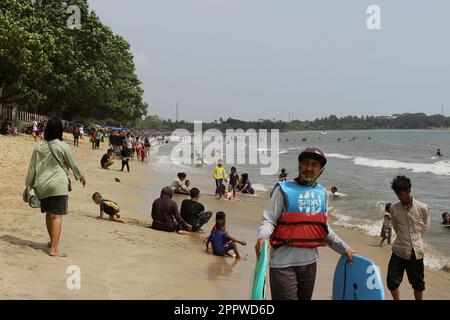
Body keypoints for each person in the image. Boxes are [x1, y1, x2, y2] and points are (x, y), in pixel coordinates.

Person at [255, 148, 355, 300]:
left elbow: (323, 228)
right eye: (305, 163)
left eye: (314, 165)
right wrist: (263, 237)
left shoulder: (322, 193)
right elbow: (269, 219)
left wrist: (344, 248)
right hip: (283, 264)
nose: (309, 168)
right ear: (299, 165)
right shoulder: (283, 189)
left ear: (321, 169)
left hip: (309, 263)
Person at [25, 118, 86, 257]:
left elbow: (32, 168)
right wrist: (80, 176)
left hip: (42, 185)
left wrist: (29, 185)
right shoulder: (62, 146)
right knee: (56, 215)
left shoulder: (39, 147)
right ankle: (54, 248)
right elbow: (73, 162)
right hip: (58, 185)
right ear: (60, 130)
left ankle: (52, 241)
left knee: (49, 214)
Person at [387, 175, 430, 300]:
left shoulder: (423, 208)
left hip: (416, 254)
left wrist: (416, 241)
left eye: (401, 194)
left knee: (418, 285)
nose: (399, 197)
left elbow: (425, 228)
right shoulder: (394, 208)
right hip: (399, 251)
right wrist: (404, 239)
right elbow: (395, 227)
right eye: (397, 194)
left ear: (408, 191)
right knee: (391, 282)